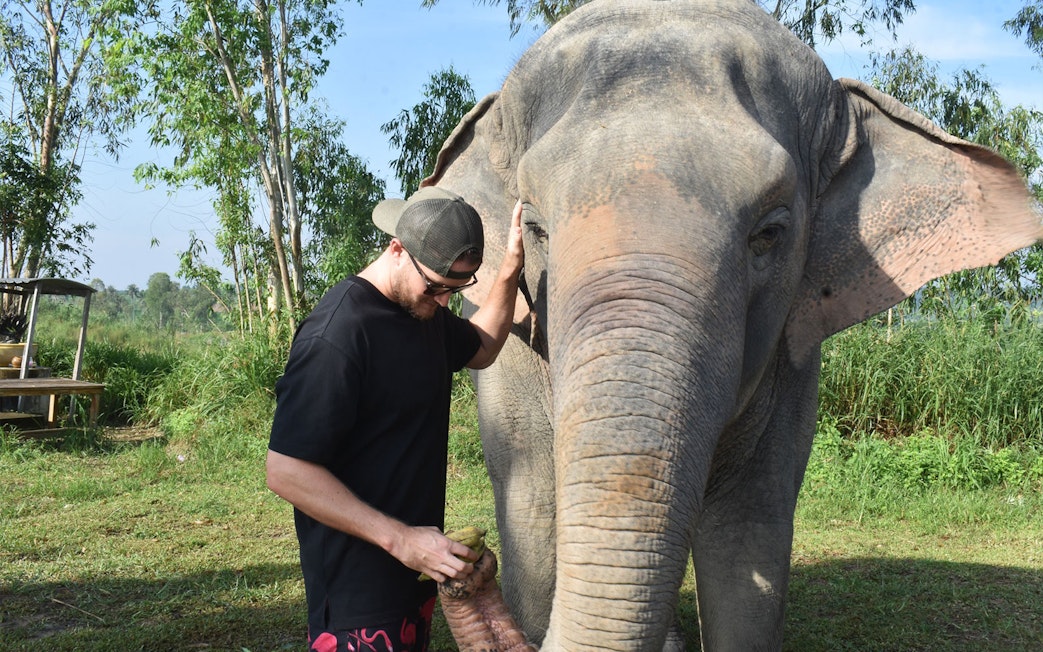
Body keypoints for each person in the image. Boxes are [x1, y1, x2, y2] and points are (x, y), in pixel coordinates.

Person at [266, 186, 524, 652]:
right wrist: (401, 540)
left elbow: (482, 347)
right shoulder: (337, 337)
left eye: (457, 289)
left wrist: (507, 275)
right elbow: (285, 470)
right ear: (397, 249)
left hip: (414, 573)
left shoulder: (422, 311)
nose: (445, 302)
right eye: (436, 287)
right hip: (356, 596)